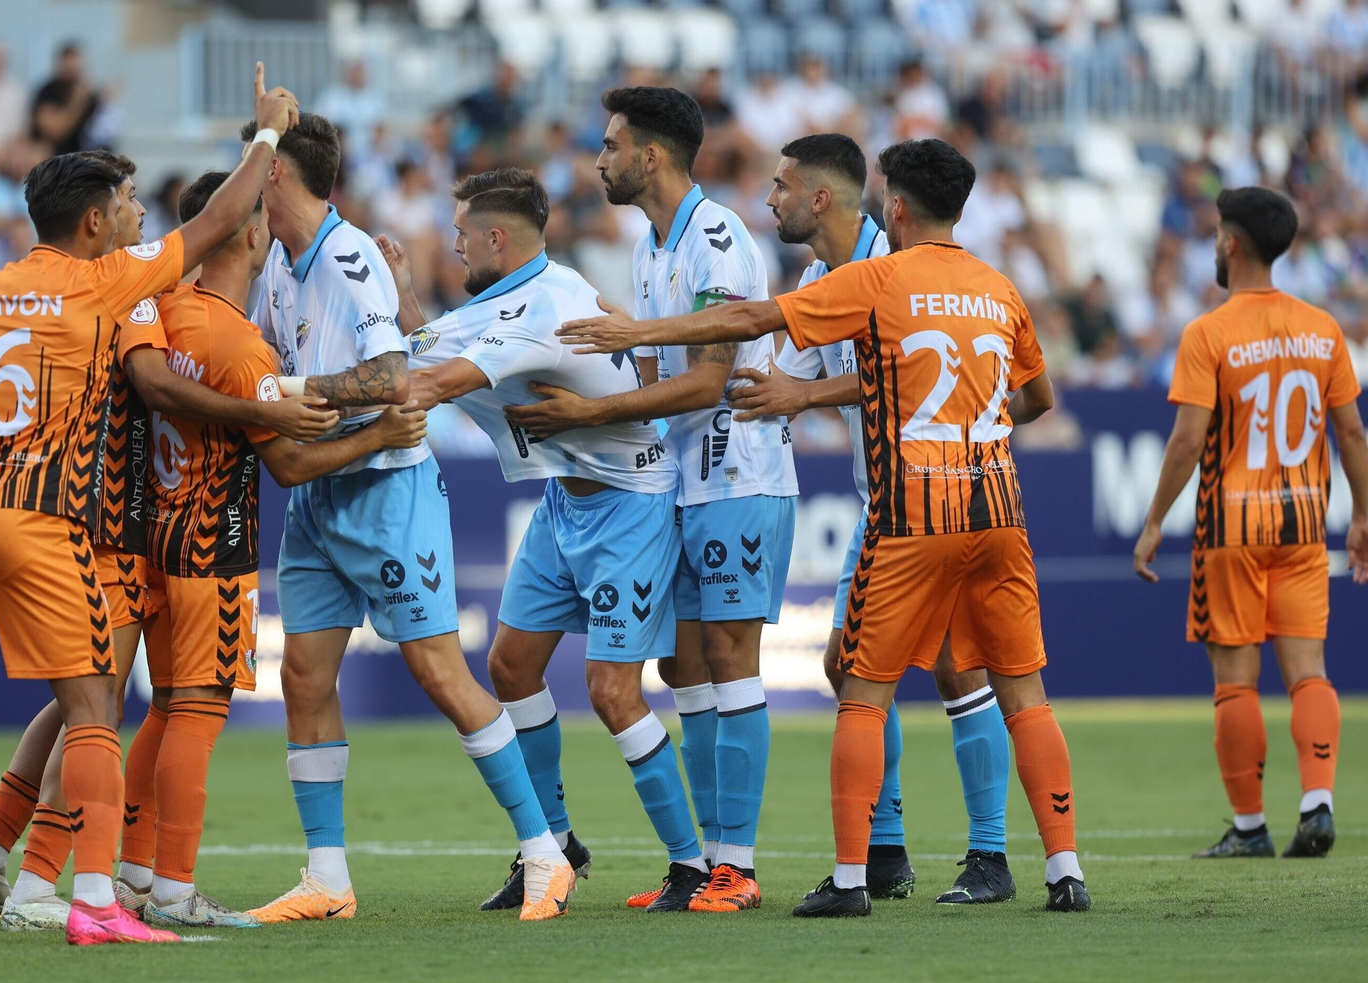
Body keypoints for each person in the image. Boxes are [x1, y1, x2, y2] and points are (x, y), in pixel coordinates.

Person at [0, 64, 304, 946]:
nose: (138, 216)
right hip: (41, 519)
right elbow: (220, 220)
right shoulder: (101, 281)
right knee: (94, 710)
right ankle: (96, 900)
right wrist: (266, 133)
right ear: (94, 223)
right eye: (129, 204)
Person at [556, 137, 1092, 917]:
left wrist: (634, 335)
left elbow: (756, 324)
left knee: (878, 685)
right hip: (995, 505)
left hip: (910, 508)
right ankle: (1054, 868)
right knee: (1001, 684)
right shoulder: (996, 286)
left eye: (781, 185)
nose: (768, 197)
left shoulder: (878, 273)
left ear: (891, 205)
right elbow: (1035, 398)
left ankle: (871, 871)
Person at [0, 149, 338, 932]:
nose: (140, 216)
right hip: (172, 544)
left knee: (86, 708)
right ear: (250, 236)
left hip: (120, 531)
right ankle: (100, 883)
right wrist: (365, 423)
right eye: (129, 202)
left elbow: (162, 383)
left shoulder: (152, 305)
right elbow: (275, 450)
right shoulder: (202, 325)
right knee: (159, 709)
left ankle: (20, 857)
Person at [237, 116, 576, 923]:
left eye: (256, 163)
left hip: (389, 487)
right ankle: (327, 879)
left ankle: (544, 855)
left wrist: (288, 397)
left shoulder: (349, 259)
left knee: (438, 673)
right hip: (320, 493)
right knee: (304, 676)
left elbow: (393, 374)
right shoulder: (280, 263)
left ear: (278, 174)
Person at [108, 169, 426, 928]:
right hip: (213, 544)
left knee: (156, 712)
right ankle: (176, 886)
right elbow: (286, 464)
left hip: (152, 536)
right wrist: (379, 434)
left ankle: (130, 873)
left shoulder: (160, 311)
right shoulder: (241, 346)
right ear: (248, 234)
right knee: (197, 710)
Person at [505, 87, 797, 912]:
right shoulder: (650, 247)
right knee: (682, 666)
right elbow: (654, 373)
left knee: (733, 663)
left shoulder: (719, 239)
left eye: (610, 145)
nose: (599, 160)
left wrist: (592, 406)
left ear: (652, 155)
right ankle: (701, 864)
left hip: (738, 474)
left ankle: (735, 866)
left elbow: (706, 379)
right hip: (681, 480)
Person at [383, 168, 702, 912]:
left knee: (613, 691)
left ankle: (689, 864)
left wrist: (293, 397)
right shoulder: (517, 293)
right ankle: (554, 846)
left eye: (462, 236)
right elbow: (427, 346)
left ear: (497, 237)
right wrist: (401, 292)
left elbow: (426, 383)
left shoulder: (541, 307)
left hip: (629, 505)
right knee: (511, 664)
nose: (455, 249)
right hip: (567, 503)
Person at [728, 133, 1015, 905]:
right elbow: (785, 376)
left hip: (941, 493)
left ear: (822, 197)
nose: (770, 198)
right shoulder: (820, 274)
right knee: (846, 668)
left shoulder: (903, 267)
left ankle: (989, 853)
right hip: (880, 500)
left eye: (782, 185)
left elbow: (902, 376)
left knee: (958, 668)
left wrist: (799, 397)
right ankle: (885, 850)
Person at [1133, 187, 1368, 860]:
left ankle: (1249, 827)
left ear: (1232, 243)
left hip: (1230, 528)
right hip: (1301, 524)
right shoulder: (1322, 329)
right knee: (1309, 672)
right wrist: (1365, 516)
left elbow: (1186, 441)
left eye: (1216, 234)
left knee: (1235, 680)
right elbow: (1351, 430)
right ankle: (1318, 800)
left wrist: (1153, 522)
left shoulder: (1208, 332)